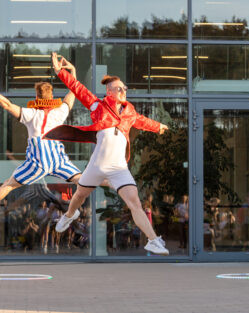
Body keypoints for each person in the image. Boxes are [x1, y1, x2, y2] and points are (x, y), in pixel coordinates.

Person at [45, 52, 170, 255]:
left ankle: (153, 240)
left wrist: (159, 126)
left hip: (119, 168)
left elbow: (144, 122)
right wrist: (60, 71)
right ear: (109, 91)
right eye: (119, 88)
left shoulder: (130, 113)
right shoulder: (98, 106)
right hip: (97, 165)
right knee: (78, 196)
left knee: (135, 203)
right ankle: (69, 215)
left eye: (125, 88)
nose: (124, 91)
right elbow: (78, 89)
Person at [0, 61, 82, 218]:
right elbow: (73, 92)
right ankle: (76, 208)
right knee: (82, 180)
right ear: (51, 97)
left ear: (37, 98)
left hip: (38, 162)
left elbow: (7, 105)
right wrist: (73, 70)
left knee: (8, 185)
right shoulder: (59, 113)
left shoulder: (31, 114)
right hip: (57, 159)